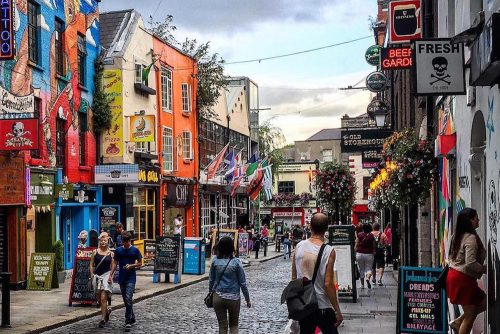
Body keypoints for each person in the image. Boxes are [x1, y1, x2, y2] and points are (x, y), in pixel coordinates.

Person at [292, 212, 343, 333]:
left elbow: (294, 278)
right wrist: (337, 310)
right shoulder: (329, 251)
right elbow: (328, 283)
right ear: (326, 229)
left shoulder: (299, 246)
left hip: (305, 305)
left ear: (310, 226)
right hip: (322, 306)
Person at [446, 208, 486, 334]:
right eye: (476, 218)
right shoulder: (470, 238)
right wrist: (484, 269)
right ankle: (459, 323)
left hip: (455, 276)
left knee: (484, 303)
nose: (478, 220)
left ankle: (458, 322)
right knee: (470, 317)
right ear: (470, 221)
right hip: (462, 279)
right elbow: (470, 263)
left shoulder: (456, 236)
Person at [208, 236, 251, 334]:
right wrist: (247, 299)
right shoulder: (236, 262)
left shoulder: (215, 261)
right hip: (234, 298)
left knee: (222, 326)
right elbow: (242, 283)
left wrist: (210, 293)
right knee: (234, 325)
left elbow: (211, 280)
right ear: (231, 248)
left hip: (218, 297)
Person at [109, 232, 142, 331]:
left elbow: (140, 263)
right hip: (122, 278)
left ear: (130, 241)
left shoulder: (135, 250)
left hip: (131, 278)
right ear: (122, 241)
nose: (126, 244)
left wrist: (131, 266)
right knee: (126, 300)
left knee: (128, 297)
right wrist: (111, 274)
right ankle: (132, 317)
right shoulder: (118, 250)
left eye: (127, 242)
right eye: (124, 242)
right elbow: (115, 262)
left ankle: (127, 321)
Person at [90, 232, 113, 328]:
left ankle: (102, 319)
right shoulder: (95, 252)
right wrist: (91, 274)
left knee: (103, 298)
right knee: (99, 299)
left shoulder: (111, 253)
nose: (103, 242)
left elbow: (112, 266)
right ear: (100, 241)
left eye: (105, 240)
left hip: (106, 276)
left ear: (108, 242)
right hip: (97, 276)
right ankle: (106, 311)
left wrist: (111, 276)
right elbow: (91, 264)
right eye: (102, 240)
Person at [355, 223, 375, 289]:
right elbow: (374, 245)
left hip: (360, 254)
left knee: (361, 269)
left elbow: (356, 244)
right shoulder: (371, 236)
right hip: (369, 254)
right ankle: (368, 278)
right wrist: (374, 251)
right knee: (369, 268)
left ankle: (362, 285)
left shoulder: (359, 235)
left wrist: (354, 252)